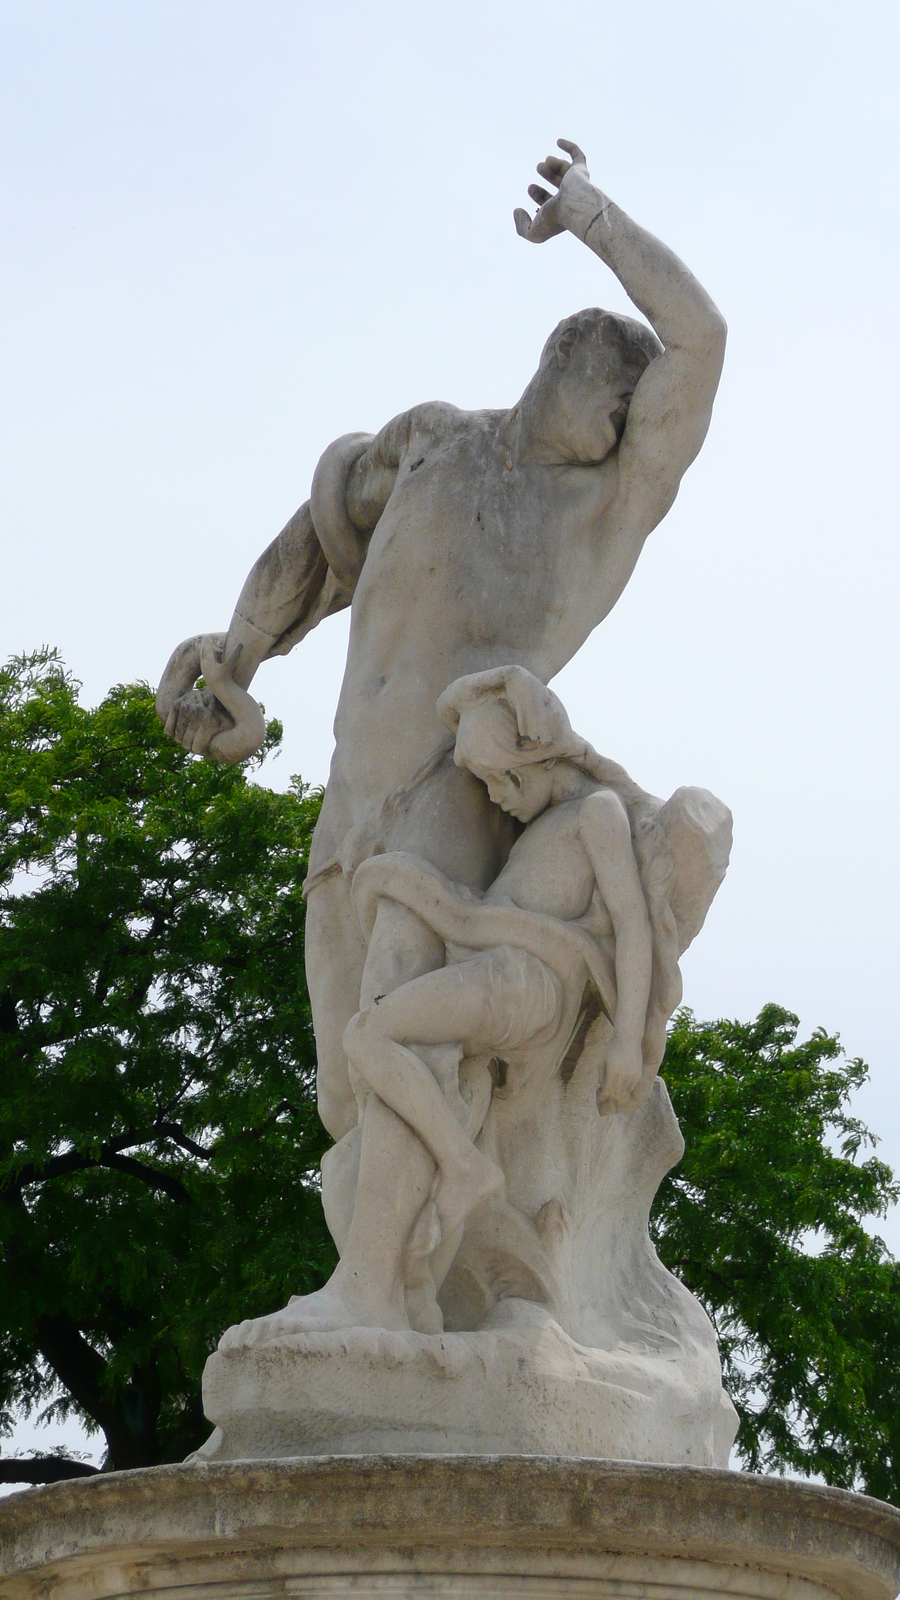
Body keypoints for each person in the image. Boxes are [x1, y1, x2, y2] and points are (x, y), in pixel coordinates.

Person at [157, 140, 726, 1199]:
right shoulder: (430, 443)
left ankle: (436, 1285)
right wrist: (235, 663)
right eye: (615, 385)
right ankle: (405, 1301)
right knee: (343, 1097)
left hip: (449, 794)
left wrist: (594, 220)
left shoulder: (606, 509)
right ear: (564, 358)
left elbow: (705, 338)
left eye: (633, 409)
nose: (621, 417)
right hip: (350, 801)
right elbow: (322, 543)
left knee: (403, 1047)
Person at [222, 667, 679, 1343]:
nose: (496, 797)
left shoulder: (597, 814)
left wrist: (631, 1040)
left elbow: (633, 927)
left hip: (523, 989)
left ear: (533, 758)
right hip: (500, 974)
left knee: (372, 1034)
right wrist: (508, 681)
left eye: (500, 780)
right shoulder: (546, 825)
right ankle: (450, 1182)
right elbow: (448, 699)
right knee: (370, 1039)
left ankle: (464, 1168)